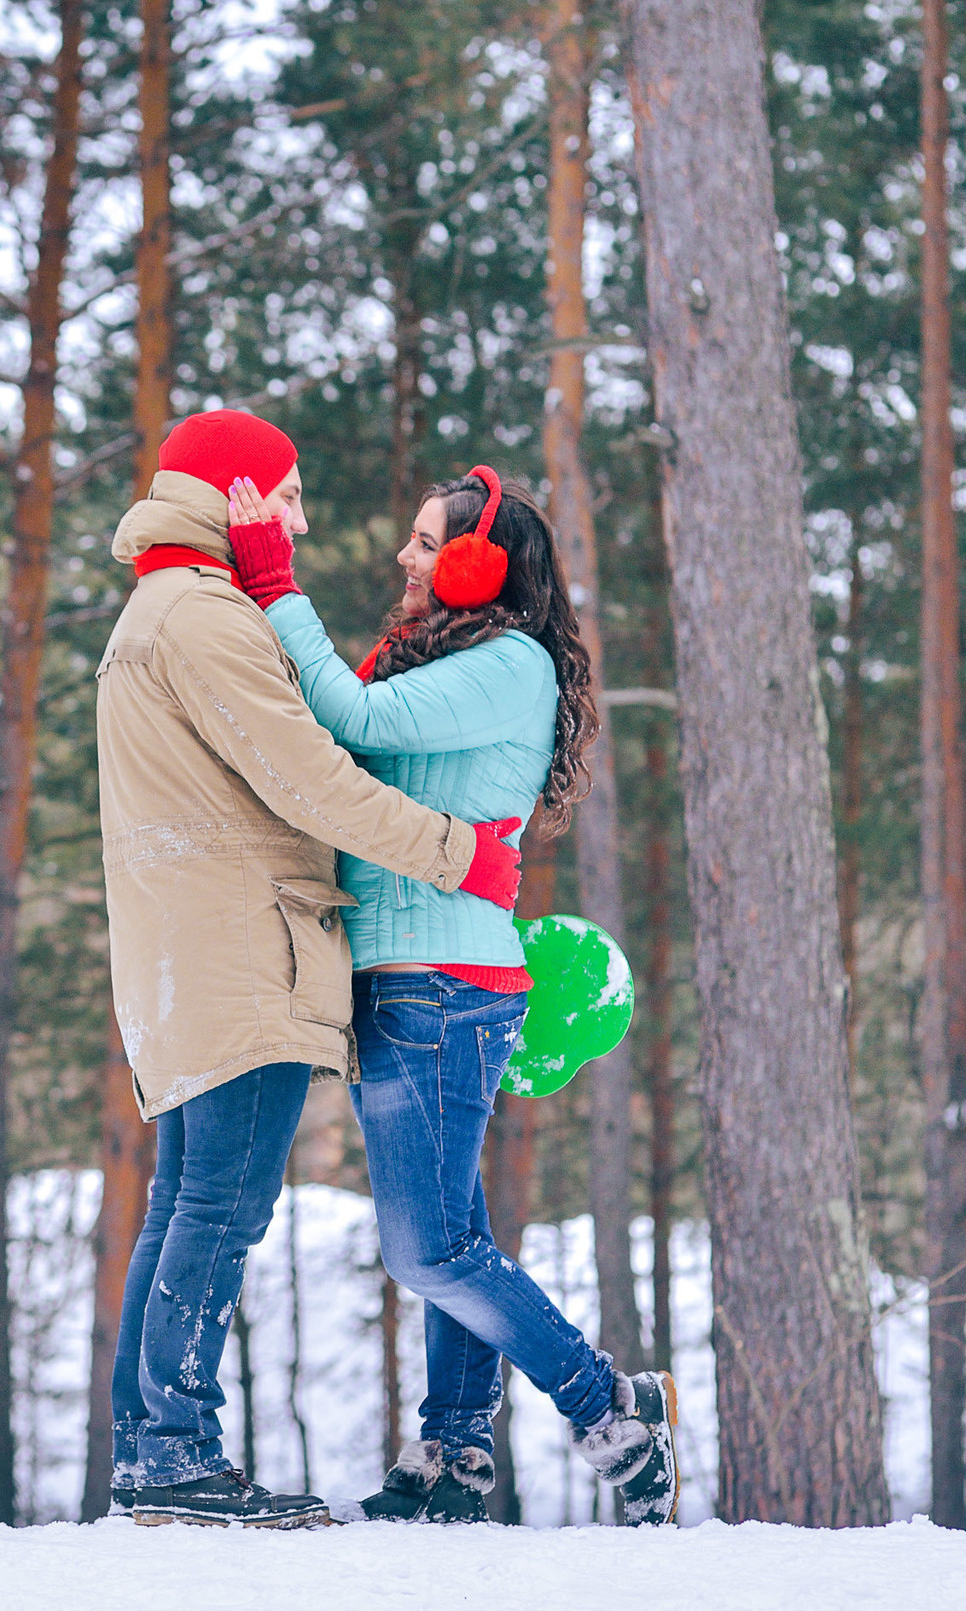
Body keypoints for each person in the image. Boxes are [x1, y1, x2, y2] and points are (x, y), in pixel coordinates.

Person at [223, 465, 679, 1528]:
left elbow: (352, 714)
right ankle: (453, 1454)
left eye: (427, 543)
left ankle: (610, 1405)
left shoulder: (509, 663)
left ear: (481, 565)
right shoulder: (457, 656)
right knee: (455, 1231)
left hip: (444, 983)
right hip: (405, 978)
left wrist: (272, 580)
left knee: (428, 1247)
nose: (405, 559)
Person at [97, 411, 523, 1529]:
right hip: (245, 950)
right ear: (233, 497)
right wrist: (458, 852)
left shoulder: (160, 610)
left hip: (193, 952)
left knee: (183, 1204)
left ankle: (154, 1451)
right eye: (282, 496)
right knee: (220, 1209)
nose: (297, 519)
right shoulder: (206, 619)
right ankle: (177, 1456)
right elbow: (314, 779)